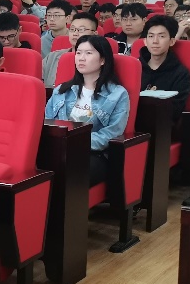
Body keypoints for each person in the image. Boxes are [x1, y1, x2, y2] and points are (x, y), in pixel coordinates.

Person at [45, 35, 130, 186]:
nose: (81, 58)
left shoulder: (117, 94)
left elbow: (111, 134)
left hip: (94, 154)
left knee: (69, 169)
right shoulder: (61, 90)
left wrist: (76, 142)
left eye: (88, 53)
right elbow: (47, 122)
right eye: (78, 52)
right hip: (59, 149)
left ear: (103, 60)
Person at [139, 15, 190, 116]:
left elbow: (176, 109)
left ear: (172, 41)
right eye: (151, 36)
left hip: (161, 122)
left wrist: (152, 101)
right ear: (145, 41)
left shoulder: (180, 73)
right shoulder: (135, 67)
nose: (155, 41)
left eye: (161, 36)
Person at [42, 12, 98, 87]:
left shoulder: (99, 60)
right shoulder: (52, 57)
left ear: (94, 34)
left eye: (81, 30)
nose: (75, 33)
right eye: (72, 29)